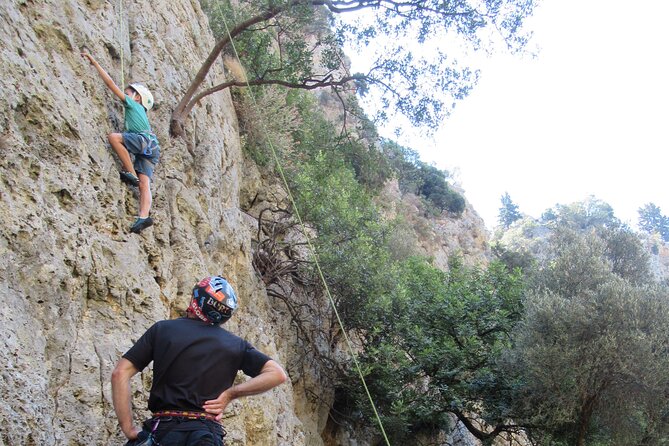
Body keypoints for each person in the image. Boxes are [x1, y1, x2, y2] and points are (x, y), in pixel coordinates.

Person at [111, 276, 287, 445]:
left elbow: (120, 373)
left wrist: (128, 428)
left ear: (196, 300)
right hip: (206, 434)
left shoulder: (163, 330)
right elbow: (277, 374)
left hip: (163, 430)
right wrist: (230, 394)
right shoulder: (236, 345)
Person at [81, 52, 160, 234]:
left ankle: (130, 172)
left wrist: (94, 62)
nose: (126, 94)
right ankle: (143, 216)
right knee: (144, 183)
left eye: (129, 92)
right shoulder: (141, 113)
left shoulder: (134, 105)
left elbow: (110, 84)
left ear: (137, 97)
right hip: (152, 146)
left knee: (114, 138)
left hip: (144, 140)